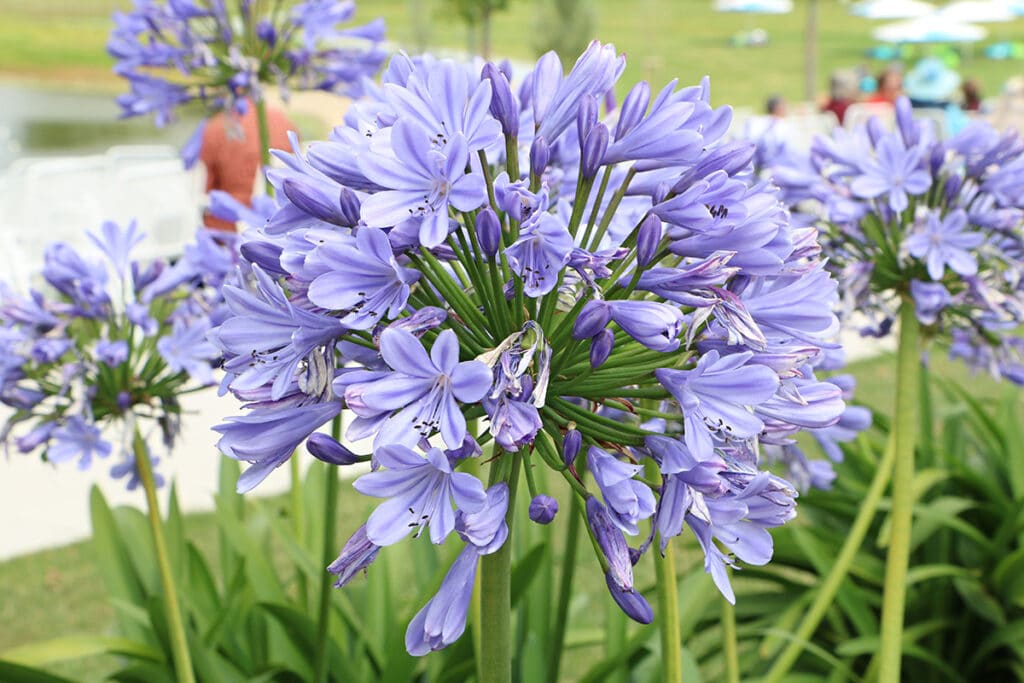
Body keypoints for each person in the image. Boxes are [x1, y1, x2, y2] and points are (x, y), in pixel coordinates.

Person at [198, 100, 295, 231]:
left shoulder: (216, 127)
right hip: (285, 219)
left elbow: (209, 188)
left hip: (233, 227)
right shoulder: (282, 120)